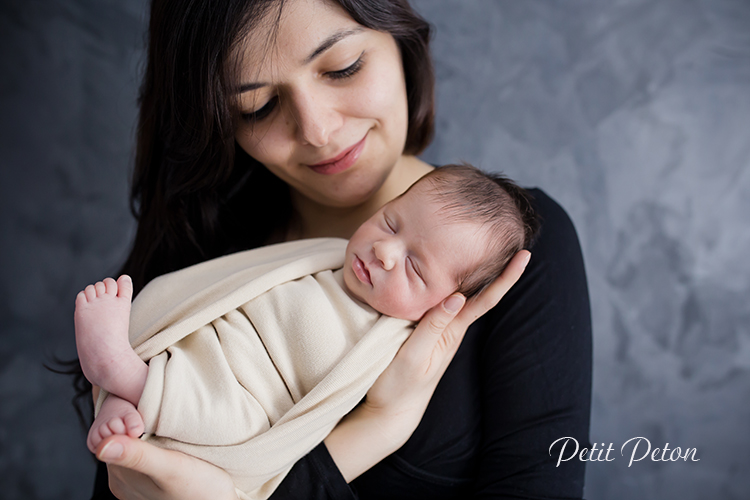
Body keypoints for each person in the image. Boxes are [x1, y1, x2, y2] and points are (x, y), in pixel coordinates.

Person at [80, 0, 592, 499]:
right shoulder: (210, 258)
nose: (318, 131)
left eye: (343, 68)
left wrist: (380, 425)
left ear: (399, 36)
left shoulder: (509, 259)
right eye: (258, 105)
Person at [76, 164, 539, 499]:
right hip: (222, 344)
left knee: (226, 419)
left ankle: (124, 374)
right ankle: (129, 383)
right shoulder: (327, 254)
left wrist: (388, 417)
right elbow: (235, 284)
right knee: (187, 346)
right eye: (390, 222)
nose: (385, 251)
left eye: (415, 269)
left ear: (444, 305)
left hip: (254, 400)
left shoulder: (390, 340)